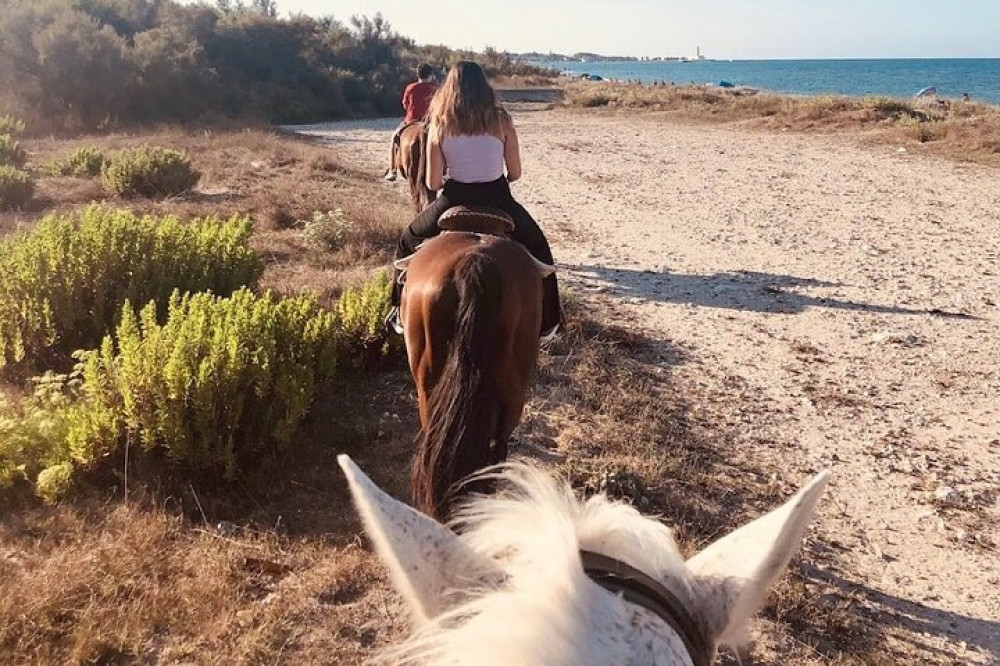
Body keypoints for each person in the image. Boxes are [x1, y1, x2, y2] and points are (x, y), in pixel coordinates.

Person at [386, 60, 562, 341]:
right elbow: (514, 173)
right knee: (539, 246)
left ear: (449, 87)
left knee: (407, 239)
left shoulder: (441, 123)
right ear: (484, 87)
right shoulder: (501, 119)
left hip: (455, 197)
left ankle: (396, 308)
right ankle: (550, 322)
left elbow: (432, 182)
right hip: (498, 198)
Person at [384, 63, 438, 182]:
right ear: (431, 75)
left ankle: (392, 169)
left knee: (394, 138)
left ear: (418, 75)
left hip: (412, 120)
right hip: (431, 122)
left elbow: (405, 104)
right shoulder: (436, 88)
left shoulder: (411, 87)